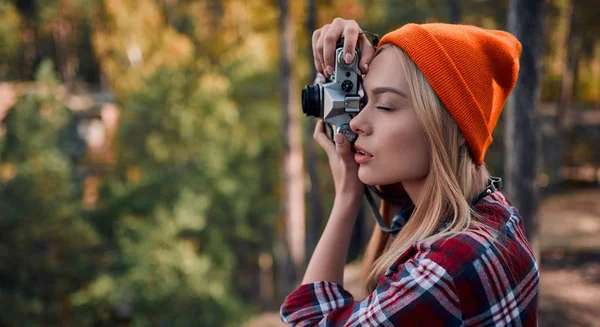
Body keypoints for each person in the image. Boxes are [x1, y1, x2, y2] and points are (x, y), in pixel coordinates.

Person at [279, 18, 539, 326]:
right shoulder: (495, 215)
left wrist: (346, 199)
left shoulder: (445, 269)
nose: (356, 123)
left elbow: (306, 320)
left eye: (386, 105)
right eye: (364, 100)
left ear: (450, 126)